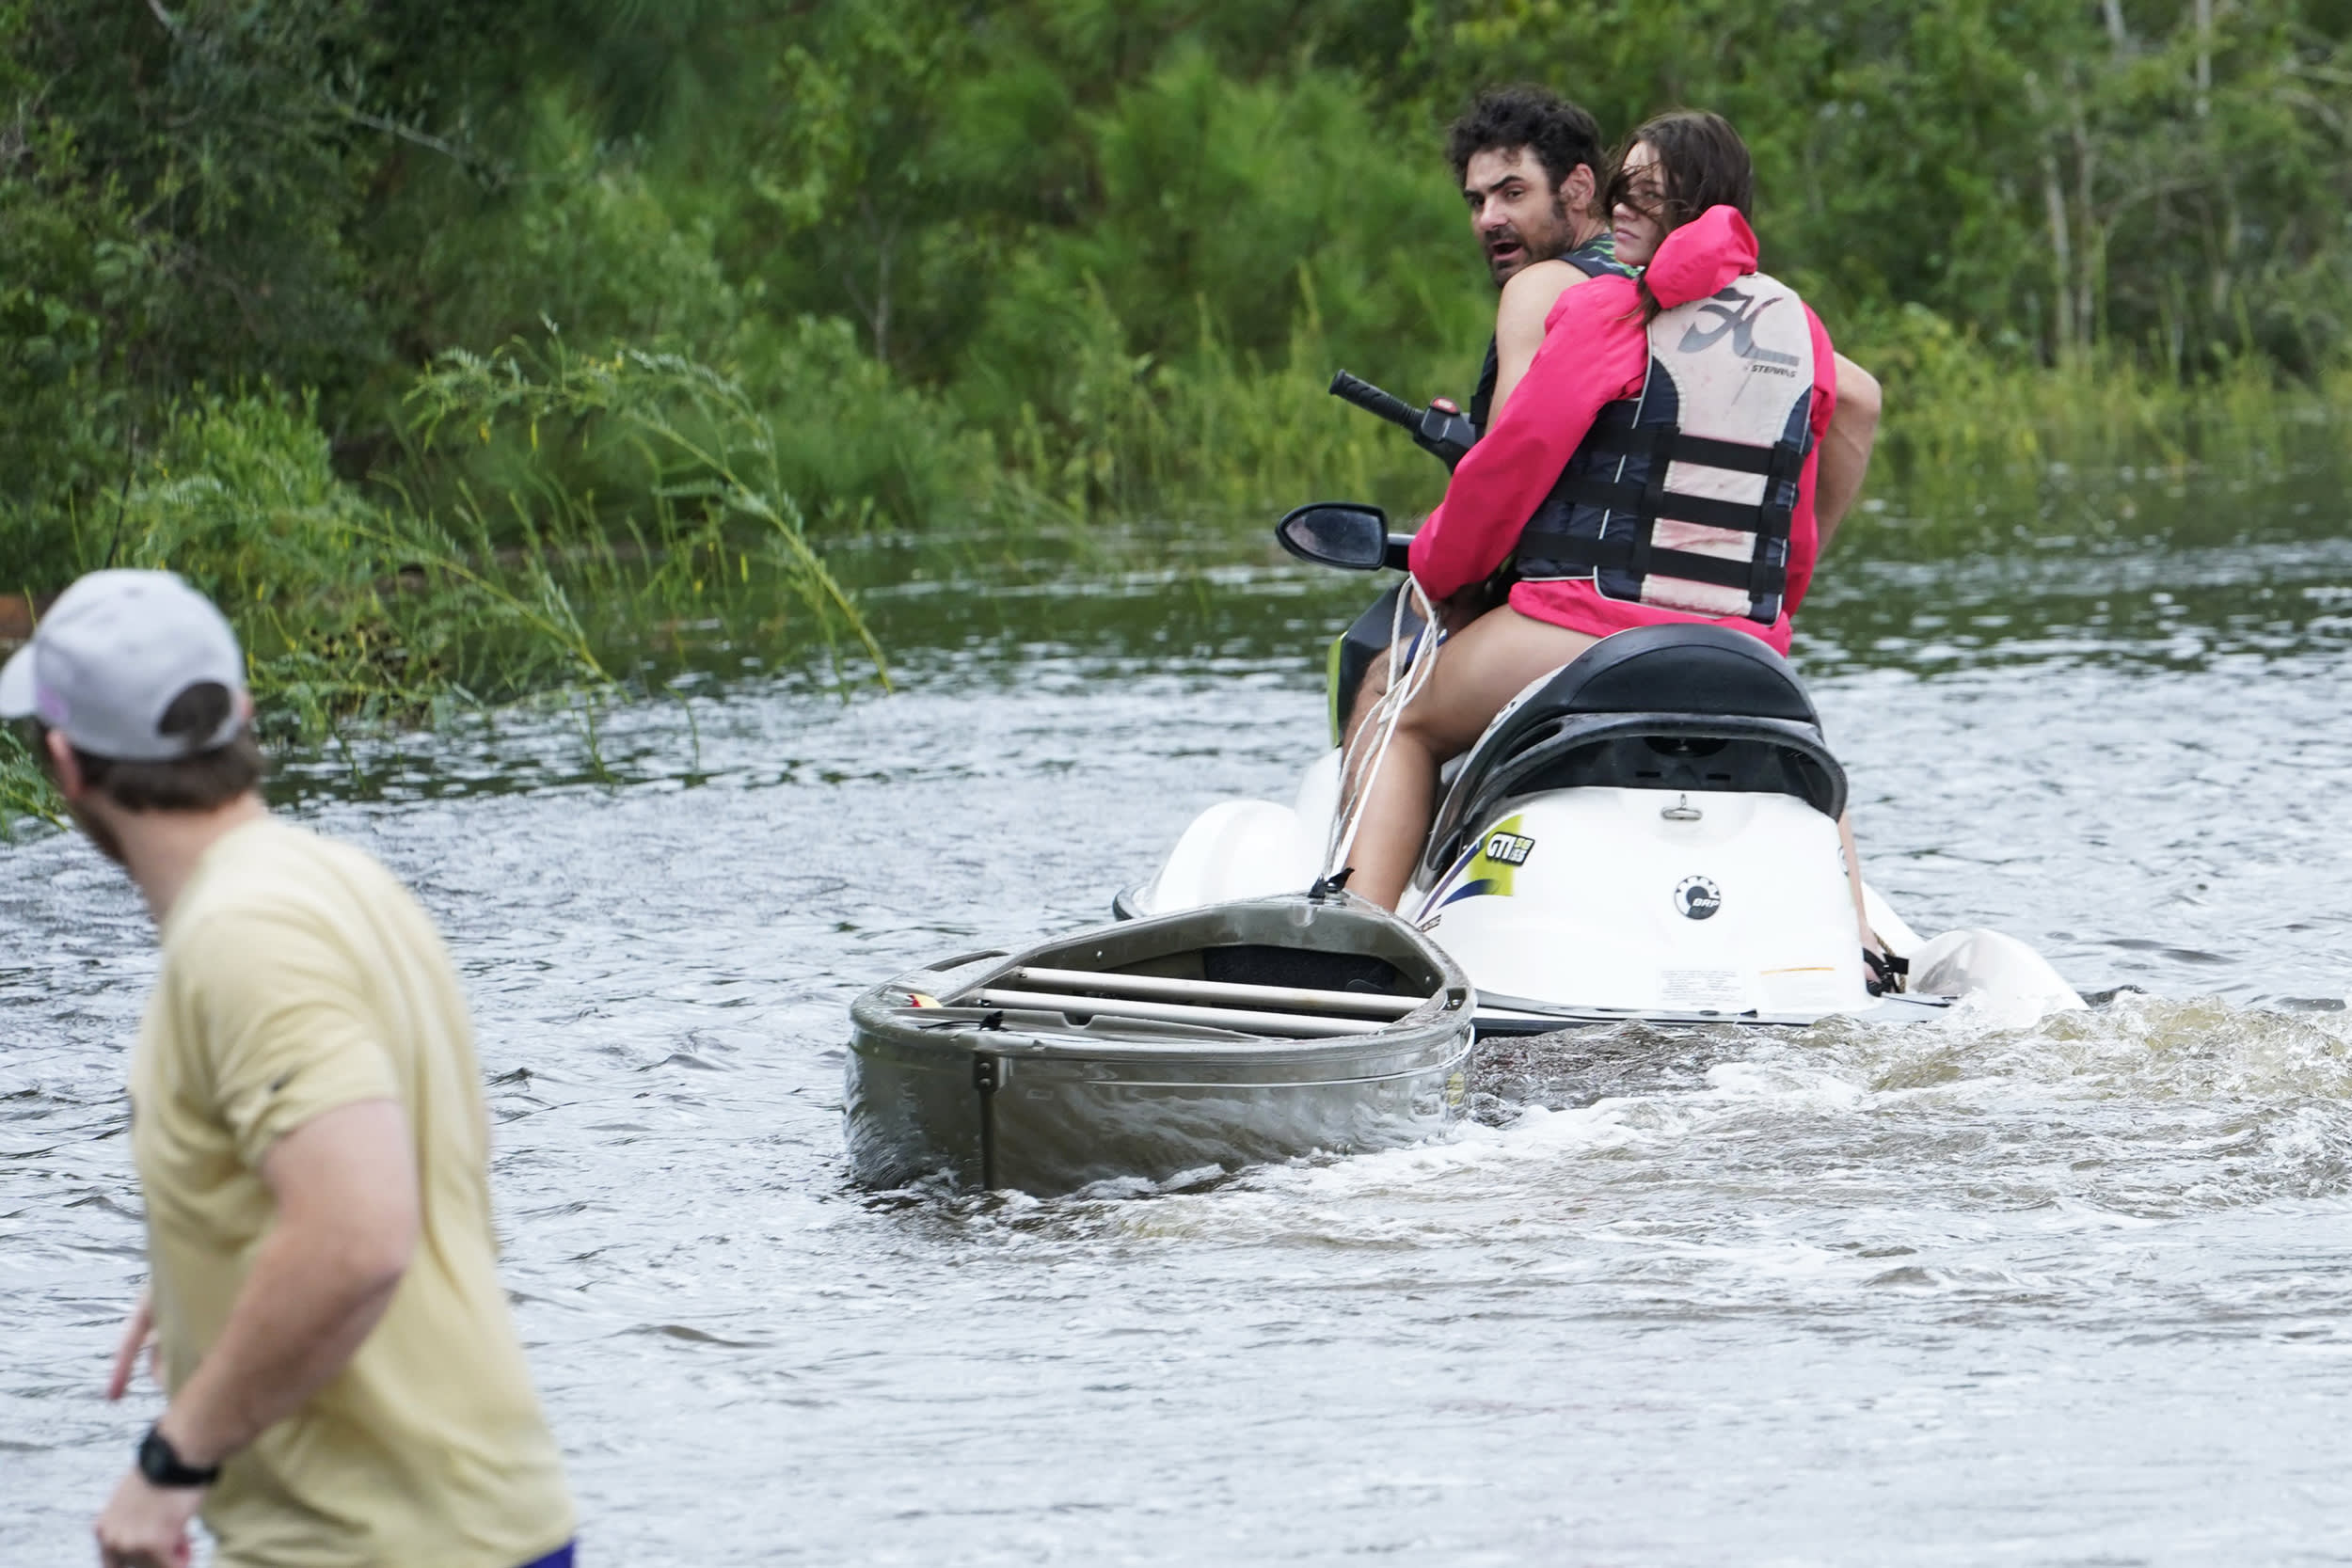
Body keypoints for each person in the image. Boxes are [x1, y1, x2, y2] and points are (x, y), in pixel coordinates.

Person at [0, 570, 575, 1568]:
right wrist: (208, 1253)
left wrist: (169, 1462)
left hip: (373, 1541)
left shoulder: (242, 932)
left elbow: (356, 1233)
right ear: (241, 712)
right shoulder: (338, 879)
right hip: (466, 1518)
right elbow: (406, 1156)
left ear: (67, 764)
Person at [1346, 112, 1871, 949]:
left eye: (1645, 197)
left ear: (1695, 206)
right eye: (1619, 190)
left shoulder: (1612, 312)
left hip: (1586, 626)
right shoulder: (1800, 332)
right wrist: (1759, 632)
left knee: (1401, 708)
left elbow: (1509, 471)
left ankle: (1362, 943)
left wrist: (1443, 576)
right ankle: (1862, 944)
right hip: (1741, 649)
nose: (1621, 211)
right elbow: (1791, 533)